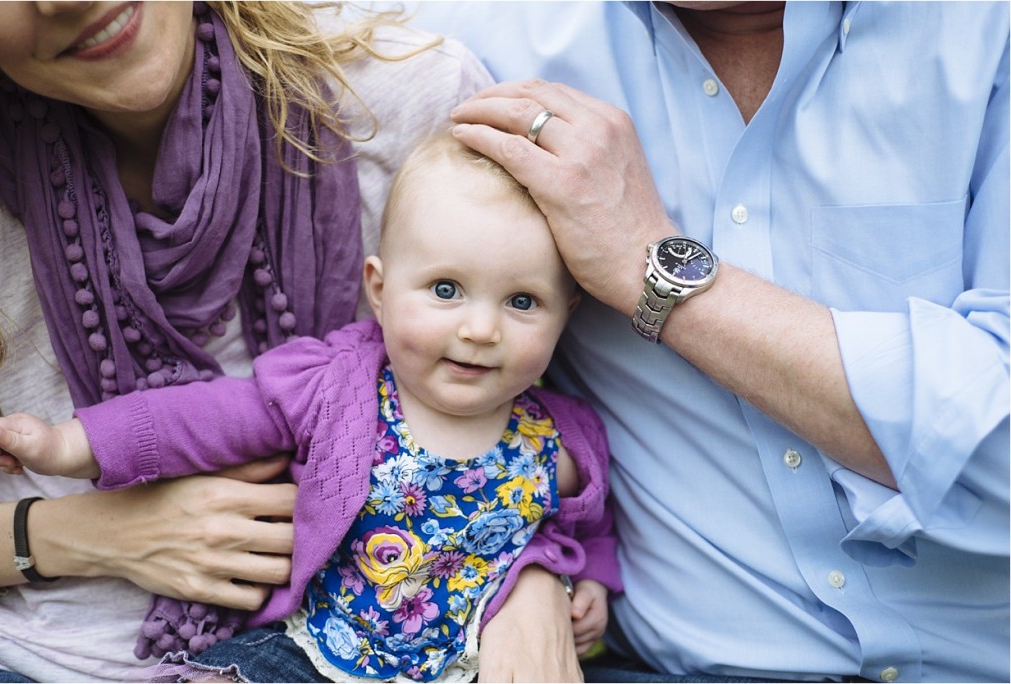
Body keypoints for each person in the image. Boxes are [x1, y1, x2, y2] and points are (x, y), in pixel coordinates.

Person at [409, 2, 1011, 682]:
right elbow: (383, 348)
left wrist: (653, 269)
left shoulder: (985, 33)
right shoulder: (475, 51)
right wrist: (524, 563)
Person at [0, 2, 531, 681]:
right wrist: (78, 536)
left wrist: (534, 582)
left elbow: (534, 435)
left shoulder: (403, 93)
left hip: (345, 651)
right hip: (35, 657)